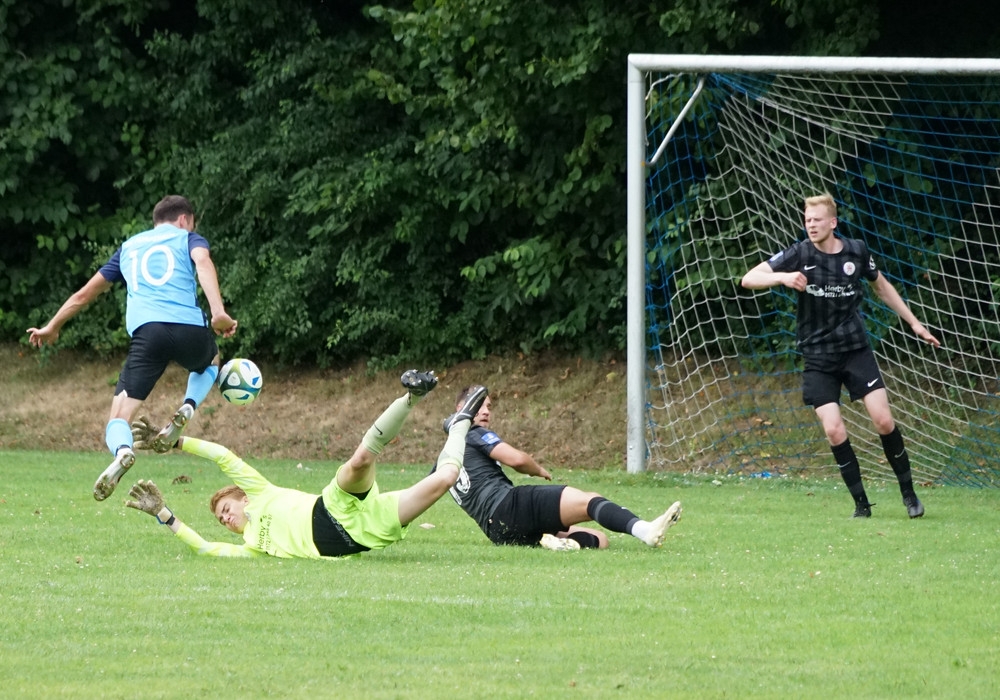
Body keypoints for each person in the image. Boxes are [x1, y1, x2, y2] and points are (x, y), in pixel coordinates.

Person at [124, 371, 487, 559]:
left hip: (331, 508)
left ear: (242, 496)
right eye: (221, 520)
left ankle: (412, 395)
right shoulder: (252, 546)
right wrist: (164, 514)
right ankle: (459, 424)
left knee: (362, 458)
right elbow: (206, 548)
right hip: (361, 535)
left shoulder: (260, 492)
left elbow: (223, 456)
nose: (225, 519)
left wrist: (177, 441)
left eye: (225, 509)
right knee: (446, 478)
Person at [740, 193, 940, 519]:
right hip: (818, 356)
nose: (811, 225)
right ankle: (861, 504)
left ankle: (909, 494)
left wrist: (915, 323)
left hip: (854, 350)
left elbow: (882, 287)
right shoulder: (799, 253)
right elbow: (748, 278)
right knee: (834, 430)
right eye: (807, 220)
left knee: (883, 420)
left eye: (817, 220)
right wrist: (782, 277)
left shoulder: (856, 251)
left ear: (832, 222)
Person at [27, 195, 238, 501]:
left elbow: (84, 294)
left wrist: (52, 325)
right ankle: (188, 406)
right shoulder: (188, 238)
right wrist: (218, 311)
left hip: (148, 333)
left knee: (119, 416)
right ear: (184, 220)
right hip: (189, 328)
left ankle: (123, 451)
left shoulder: (129, 248)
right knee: (211, 361)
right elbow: (203, 263)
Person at [435, 385, 682, 551]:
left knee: (600, 539)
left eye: (489, 406)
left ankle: (560, 545)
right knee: (590, 501)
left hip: (498, 533)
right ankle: (645, 530)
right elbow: (517, 460)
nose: (486, 411)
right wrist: (537, 469)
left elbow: (426, 492)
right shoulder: (474, 433)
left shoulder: (442, 461)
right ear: (460, 410)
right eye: (479, 405)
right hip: (510, 507)